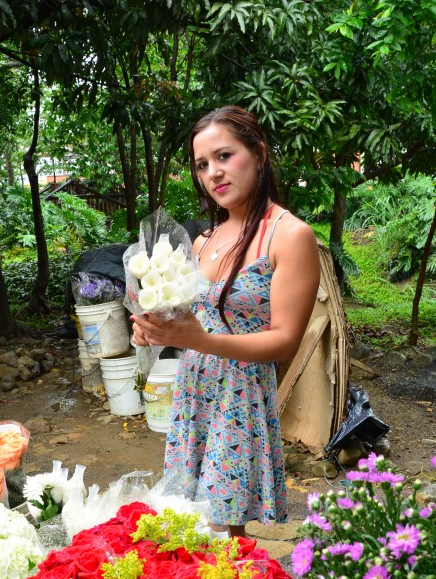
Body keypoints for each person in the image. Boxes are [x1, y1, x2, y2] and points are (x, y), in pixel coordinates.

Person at [132, 105, 320, 536]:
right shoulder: (202, 240)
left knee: (223, 530)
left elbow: (286, 341)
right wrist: (152, 330)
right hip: (194, 390)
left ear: (259, 152)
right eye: (202, 165)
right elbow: (188, 322)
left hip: (241, 398)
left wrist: (199, 340)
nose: (213, 172)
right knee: (191, 522)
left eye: (224, 156)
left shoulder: (289, 235)